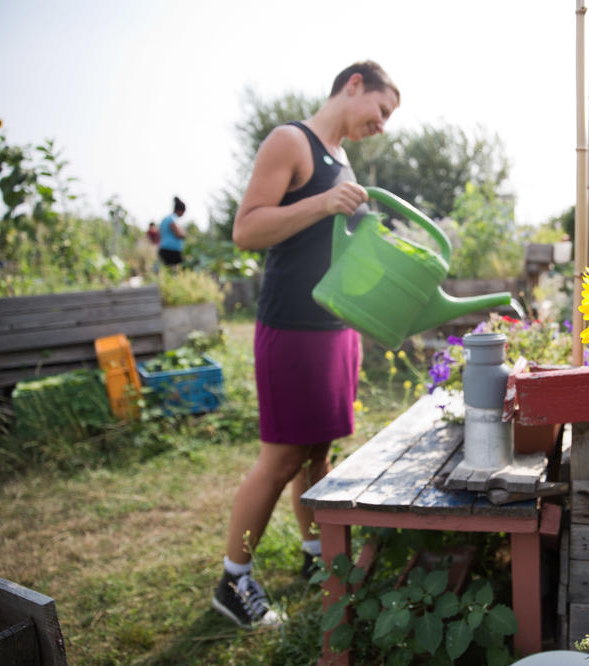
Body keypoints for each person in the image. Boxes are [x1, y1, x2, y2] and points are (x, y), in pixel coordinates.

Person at [212, 60, 400, 630]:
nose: (384, 125)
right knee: (281, 458)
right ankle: (232, 579)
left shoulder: (341, 161)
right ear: (353, 86)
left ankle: (317, 554)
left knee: (318, 451)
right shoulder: (290, 140)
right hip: (290, 329)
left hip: (333, 329)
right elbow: (247, 230)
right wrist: (323, 203)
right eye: (382, 109)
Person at [157, 197, 187, 266]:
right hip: (171, 251)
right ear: (180, 211)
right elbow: (178, 234)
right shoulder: (172, 219)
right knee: (175, 271)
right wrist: (184, 234)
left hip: (164, 248)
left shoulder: (165, 219)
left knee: (168, 271)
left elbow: (160, 234)